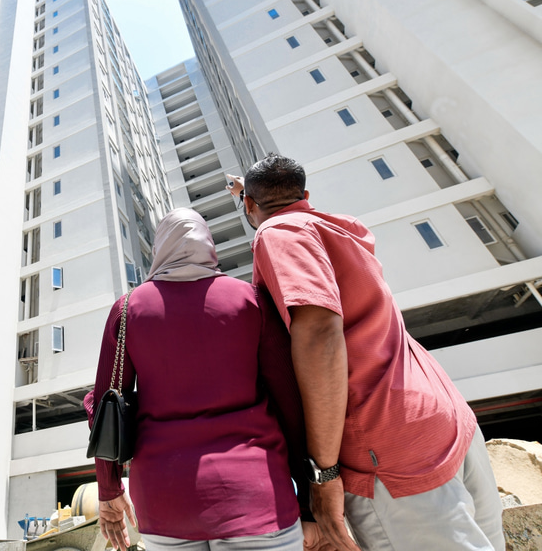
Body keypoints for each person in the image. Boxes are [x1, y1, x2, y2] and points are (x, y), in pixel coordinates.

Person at [232, 153, 504, 550]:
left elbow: (320, 332)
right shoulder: (340, 229)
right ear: (305, 196)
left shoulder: (278, 232)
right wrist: (250, 195)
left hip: (389, 452)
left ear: (249, 205)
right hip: (444, 421)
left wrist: (324, 475)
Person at [84, 208, 329, 551]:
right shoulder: (252, 301)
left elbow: (104, 405)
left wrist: (109, 491)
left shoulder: (127, 310)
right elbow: (290, 404)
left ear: (159, 249)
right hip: (257, 497)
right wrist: (307, 503)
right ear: (209, 246)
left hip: (164, 501)